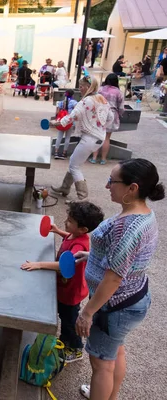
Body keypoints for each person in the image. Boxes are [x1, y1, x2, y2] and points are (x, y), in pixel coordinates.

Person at [75, 159, 164, 400]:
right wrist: (92, 256)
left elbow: (114, 278)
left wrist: (87, 313)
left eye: (112, 181)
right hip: (133, 298)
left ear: (132, 188)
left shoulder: (127, 227)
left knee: (101, 365)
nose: (107, 186)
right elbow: (122, 259)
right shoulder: (143, 214)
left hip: (115, 306)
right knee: (115, 351)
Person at [22, 201, 104, 363]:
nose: (66, 222)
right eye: (67, 218)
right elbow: (69, 237)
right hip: (64, 288)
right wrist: (58, 231)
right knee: (61, 315)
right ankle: (64, 341)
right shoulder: (75, 235)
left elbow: (63, 266)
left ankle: (75, 349)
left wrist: (38, 265)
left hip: (70, 293)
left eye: (70, 221)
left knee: (69, 322)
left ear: (83, 230)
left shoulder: (81, 243)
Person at [51, 76, 114, 201]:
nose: (80, 89)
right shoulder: (102, 99)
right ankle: (65, 188)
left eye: (81, 86)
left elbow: (72, 116)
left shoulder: (86, 101)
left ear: (88, 87)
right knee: (74, 162)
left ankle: (82, 197)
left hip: (89, 138)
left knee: (75, 166)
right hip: (99, 138)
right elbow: (110, 117)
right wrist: (101, 128)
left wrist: (56, 123)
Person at [90, 74, 124, 165]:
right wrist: (120, 114)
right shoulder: (118, 92)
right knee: (107, 138)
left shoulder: (100, 89)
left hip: (99, 113)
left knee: (97, 136)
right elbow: (121, 107)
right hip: (111, 114)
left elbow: (94, 101)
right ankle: (103, 159)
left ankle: (94, 158)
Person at [53, 89, 78, 159]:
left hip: (61, 121)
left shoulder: (60, 102)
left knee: (59, 137)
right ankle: (64, 153)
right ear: (73, 95)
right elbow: (77, 111)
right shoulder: (74, 102)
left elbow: (57, 113)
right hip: (70, 122)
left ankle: (56, 152)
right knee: (67, 138)